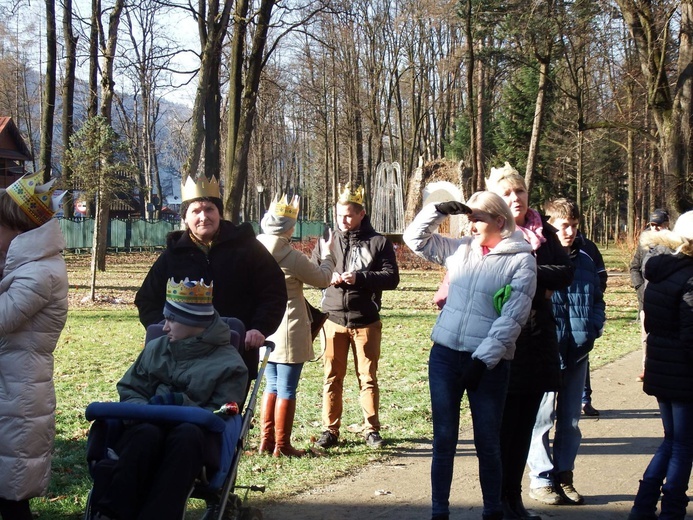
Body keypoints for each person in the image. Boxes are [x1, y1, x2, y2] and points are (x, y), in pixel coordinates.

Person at [404, 191, 537, 520]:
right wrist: (437, 210)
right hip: (445, 357)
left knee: (488, 442)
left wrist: (483, 360)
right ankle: (439, 512)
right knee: (444, 439)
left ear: (499, 221)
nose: (471, 224)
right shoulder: (460, 249)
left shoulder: (522, 260)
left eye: (477, 218)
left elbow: (513, 317)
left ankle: (492, 511)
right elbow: (414, 239)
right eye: (468, 218)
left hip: (488, 365)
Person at [90, 278, 249, 520]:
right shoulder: (156, 349)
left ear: (195, 323)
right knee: (147, 434)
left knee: (186, 436)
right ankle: (114, 511)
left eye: (171, 319)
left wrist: (182, 404)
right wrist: (145, 410)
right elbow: (131, 388)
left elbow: (223, 410)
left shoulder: (229, 364)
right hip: (146, 427)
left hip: (195, 438)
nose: (164, 327)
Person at [485, 162, 574, 518]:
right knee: (501, 429)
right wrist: (537, 281)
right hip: (503, 341)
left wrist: (528, 271)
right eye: (507, 193)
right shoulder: (490, 231)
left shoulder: (543, 231)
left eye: (519, 191)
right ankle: (497, 502)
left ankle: (514, 499)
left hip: (537, 341)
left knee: (525, 427)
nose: (515, 198)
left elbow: (567, 272)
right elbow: (489, 277)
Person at [134, 175, 287, 380]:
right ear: (186, 218)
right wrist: (165, 329)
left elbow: (273, 291)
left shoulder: (247, 248)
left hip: (234, 352)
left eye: (209, 209)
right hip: (182, 356)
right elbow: (146, 299)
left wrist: (259, 328)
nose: (203, 217)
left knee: (227, 410)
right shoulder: (173, 255)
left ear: (219, 214)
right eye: (195, 211)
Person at [526, 198, 606, 507]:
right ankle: (541, 479)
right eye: (563, 225)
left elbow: (598, 298)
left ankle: (564, 476)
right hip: (547, 351)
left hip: (578, 352)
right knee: (542, 418)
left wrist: (594, 328)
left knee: (571, 421)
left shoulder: (585, 260)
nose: (569, 231)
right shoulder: (540, 257)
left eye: (574, 225)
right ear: (550, 225)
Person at [0, 172, 68, 520]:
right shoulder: (20, 265)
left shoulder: (41, 273)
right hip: (11, 385)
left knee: (12, 491)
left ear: (17, 231)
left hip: (20, 391)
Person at [311, 182, 399, 449]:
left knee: (368, 377)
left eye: (348, 214)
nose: (343, 220)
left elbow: (391, 278)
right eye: (339, 215)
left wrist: (359, 278)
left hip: (366, 320)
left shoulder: (379, 242)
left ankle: (371, 429)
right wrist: (329, 277)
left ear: (362, 213)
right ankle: (330, 430)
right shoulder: (328, 239)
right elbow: (312, 271)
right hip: (332, 320)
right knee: (331, 377)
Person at [256, 194, 336, 457]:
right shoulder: (292, 256)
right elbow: (323, 279)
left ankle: (266, 443)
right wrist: (327, 256)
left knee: (271, 386)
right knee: (287, 388)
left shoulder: (252, 250)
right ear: (288, 228)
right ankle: (282, 445)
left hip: (264, 327)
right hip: (289, 327)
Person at [628, 211, 693, 520]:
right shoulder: (689, 278)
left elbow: (653, 322)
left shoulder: (661, 272)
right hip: (683, 372)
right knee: (682, 446)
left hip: (662, 366)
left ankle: (643, 506)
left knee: (672, 441)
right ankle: (672, 511)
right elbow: (691, 335)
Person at [629, 208, 670, 383]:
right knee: (646, 337)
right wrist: (641, 289)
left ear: (667, 225)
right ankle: (647, 369)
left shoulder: (674, 244)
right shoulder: (643, 243)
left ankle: (666, 369)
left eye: (659, 225)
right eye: (652, 225)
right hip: (646, 300)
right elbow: (634, 268)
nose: (655, 229)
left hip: (668, 300)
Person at [580, 232, 607, 417]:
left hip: (582, 316)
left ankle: (584, 400)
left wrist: (594, 322)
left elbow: (601, 276)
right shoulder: (546, 248)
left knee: (582, 359)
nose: (569, 231)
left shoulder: (588, 248)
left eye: (573, 225)